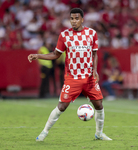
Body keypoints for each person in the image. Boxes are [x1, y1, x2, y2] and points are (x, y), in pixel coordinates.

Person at [28, 8, 112, 141]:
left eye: (76, 18)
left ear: (82, 19)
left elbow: (95, 54)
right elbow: (56, 54)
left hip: (89, 78)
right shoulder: (64, 35)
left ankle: (99, 133)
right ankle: (44, 132)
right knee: (61, 107)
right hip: (73, 78)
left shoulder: (92, 33)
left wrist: (94, 70)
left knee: (99, 105)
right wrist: (38, 56)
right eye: (72, 18)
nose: (74, 21)